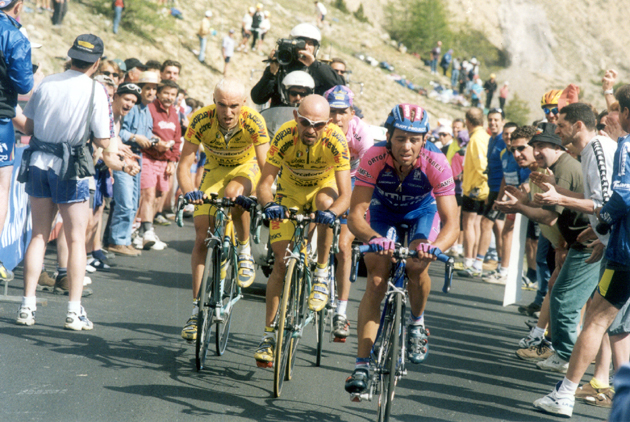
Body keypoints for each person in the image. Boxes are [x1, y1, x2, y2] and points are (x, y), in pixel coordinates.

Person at [344, 103, 458, 395]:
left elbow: (452, 224)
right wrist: (373, 237)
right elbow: (356, 215)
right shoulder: (374, 157)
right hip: (382, 212)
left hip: (423, 212)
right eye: (400, 138)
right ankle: (361, 365)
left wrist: (434, 248)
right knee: (377, 278)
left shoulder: (436, 161)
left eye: (415, 139)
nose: (407, 146)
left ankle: (417, 323)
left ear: (424, 139)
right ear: (388, 135)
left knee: (417, 264)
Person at [531, 101, 622, 417]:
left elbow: (607, 202)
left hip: (621, 251)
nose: (556, 130)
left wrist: (560, 198)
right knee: (616, 325)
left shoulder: (598, 149)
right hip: (614, 246)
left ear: (579, 125)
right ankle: (613, 391)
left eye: (561, 125)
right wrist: (600, 235)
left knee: (595, 318)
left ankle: (567, 390)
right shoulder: (588, 153)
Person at [16, 34, 112, 330]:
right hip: (71, 168)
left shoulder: (47, 83)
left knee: (38, 236)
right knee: (75, 239)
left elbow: (29, 126)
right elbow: (103, 139)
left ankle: (27, 306)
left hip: (38, 162)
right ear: (96, 63)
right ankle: (73, 310)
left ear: (71, 57)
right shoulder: (96, 91)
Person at [250, 95, 351, 367]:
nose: (311, 129)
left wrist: (330, 215)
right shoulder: (284, 136)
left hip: (323, 189)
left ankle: (321, 272)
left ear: (327, 123)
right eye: (305, 122)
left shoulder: (336, 139)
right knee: (281, 263)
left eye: (318, 125)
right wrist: (269, 204)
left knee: (326, 206)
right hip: (290, 193)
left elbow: (346, 195)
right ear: (296, 117)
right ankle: (269, 335)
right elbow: (264, 184)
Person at [177, 78, 270, 341]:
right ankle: (196, 311)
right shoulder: (200, 119)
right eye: (221, 105)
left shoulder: (253, 121)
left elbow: (265, 167)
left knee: (234, 195)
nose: (227, 113)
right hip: (215, 170)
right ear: (213, 100)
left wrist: (258, 197)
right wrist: (189, 194)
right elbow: (184, 166)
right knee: (201, 235)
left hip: (246, 168)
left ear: (243, 104)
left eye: (233, 106)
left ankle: (243, 249)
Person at [324, 85, 374, 341]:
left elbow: (370, 177)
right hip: (325, 179)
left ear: (352, 112)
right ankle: (317, 269)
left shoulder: (362, 134)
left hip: (355, 183)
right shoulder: (319, 128)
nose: (337, 118)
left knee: (344, 247)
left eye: (342, 111)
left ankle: (341, 312)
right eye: (332, 111)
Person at [106, 71, 158, 256]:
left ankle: (125, 239)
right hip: (123, 155)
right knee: (125, 201)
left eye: (154, 89)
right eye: (147, 88)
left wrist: (154, 140)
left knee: (134, 202)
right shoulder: (129, 109)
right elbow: (121, 134)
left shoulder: (146, 110)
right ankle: (117, 241)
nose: (151, 92)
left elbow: (146, 133)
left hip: (137, 156)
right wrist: (136, 137)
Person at [0, 0, 34, 282]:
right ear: (18, 4)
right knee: (1, 190)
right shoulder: (14, 35)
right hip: (0, 119)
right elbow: (24, 84)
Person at [250, 23, 344, 107]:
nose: (306, 47)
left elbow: (340, 87)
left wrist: (314, 64)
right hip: (280, 121)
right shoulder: (281, 67)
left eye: (310, 43)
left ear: (316, 48)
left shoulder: (319, 71)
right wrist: (270, 74)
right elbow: (258, 99)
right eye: (301, 43)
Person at [137, 79, 181, 250]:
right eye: (166, 93)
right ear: (159, 93)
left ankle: (143, 232)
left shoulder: (174, 113)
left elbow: (177, 139)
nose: (169, 97)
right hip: (148, 156)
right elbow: (144, 132)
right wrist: (156, 143)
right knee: (147, 193)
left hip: (165, 160)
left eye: (173, 95)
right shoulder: (150, 109)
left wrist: (172, 160)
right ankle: (146, 230)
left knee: (157, 197)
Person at [462, 108, 505, 280]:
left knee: (486, 224)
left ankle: (477, 263)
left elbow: (482, 166)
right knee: (497, 227)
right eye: (491, 120)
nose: (493, 123)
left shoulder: (500, 140)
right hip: (491, 188)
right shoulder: (492, 139)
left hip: (494, 189)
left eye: (496, 120)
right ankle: (501, 266)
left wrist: (487, 188)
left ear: (502, 121)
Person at [458, 108, 489, 276]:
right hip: (481, 187)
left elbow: (481, 165)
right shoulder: (484, 136)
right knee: (475, 224)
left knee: (468, 224)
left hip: (475, 187)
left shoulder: (476, 138)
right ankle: (473, 260)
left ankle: (469, 260)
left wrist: (481, 182)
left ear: (467, 121)